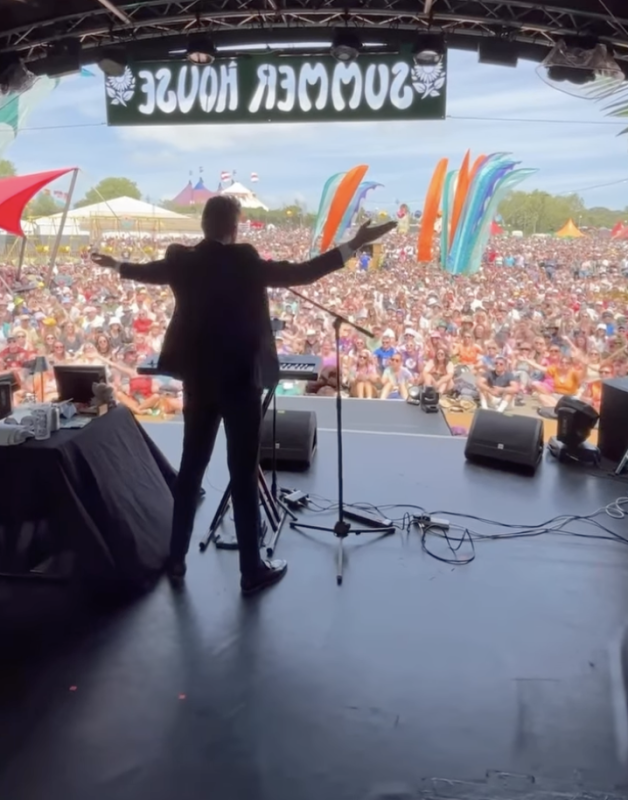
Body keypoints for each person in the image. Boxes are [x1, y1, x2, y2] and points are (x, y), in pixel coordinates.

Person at [91, 196, 395, 595]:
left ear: (203, 224)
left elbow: (148, 272)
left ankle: (177, 558)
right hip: (240, 381)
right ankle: (251, 570)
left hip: (199, 380)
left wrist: (116, 264)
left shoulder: (181, 260)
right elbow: (304, 272)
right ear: (233, 228)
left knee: (191, 468)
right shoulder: (245, 260)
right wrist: (355, 243)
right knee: (242, 472)